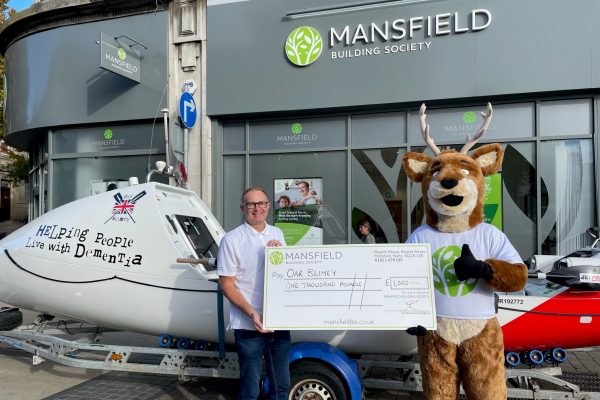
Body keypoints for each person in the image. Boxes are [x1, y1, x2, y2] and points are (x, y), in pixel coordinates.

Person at [217, 187, 290, 400]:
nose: (256, 208)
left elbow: (285, 273)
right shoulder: (231, 240)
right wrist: (252, 313)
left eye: (261, 203)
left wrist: (280, 254)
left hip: (277, 322)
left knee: (281, 386)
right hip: (248, 325)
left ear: (268, 206)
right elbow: (227, 284)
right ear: (243, 208)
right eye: (251, 204)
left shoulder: (277, 234)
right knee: (251, 389)